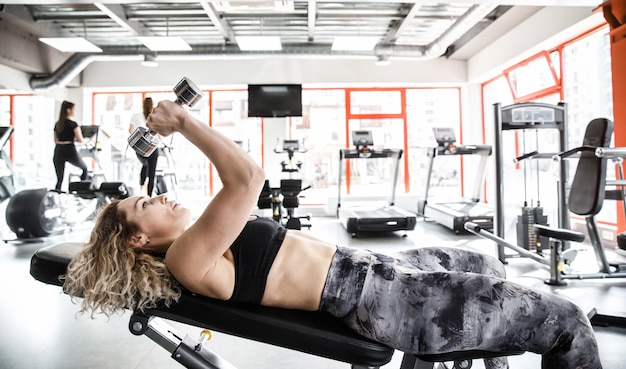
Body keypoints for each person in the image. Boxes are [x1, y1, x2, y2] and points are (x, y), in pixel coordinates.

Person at [63, 100, 602, 369]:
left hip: (376, 270)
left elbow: (231, 188)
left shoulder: (197, 239)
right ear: (136, 240)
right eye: (143, 205)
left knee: (488, 266)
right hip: (382, 296)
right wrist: (184, 122)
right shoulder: (185, 257)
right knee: (566, 322)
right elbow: (248, 177)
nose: (156, 197)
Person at [53, 100, 90, 191]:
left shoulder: (58, 124)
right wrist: (88, 139)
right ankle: (82, 190)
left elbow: (56, 140)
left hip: (58, 150)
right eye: (74, 109)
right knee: (84, 168)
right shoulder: (73, 124)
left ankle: (57, 195)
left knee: (60, 179)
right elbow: (81, 140)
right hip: (69, 150)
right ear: (68, 110)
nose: (75, 112)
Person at [129, 97, 162, 196]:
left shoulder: (136, 116)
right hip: (153, 148)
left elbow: (130, 131)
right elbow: (160, 135)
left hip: (140, 147)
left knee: (145, 165)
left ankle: (141, 189)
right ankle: (150, 195)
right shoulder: (155, 117)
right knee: (152, 172)